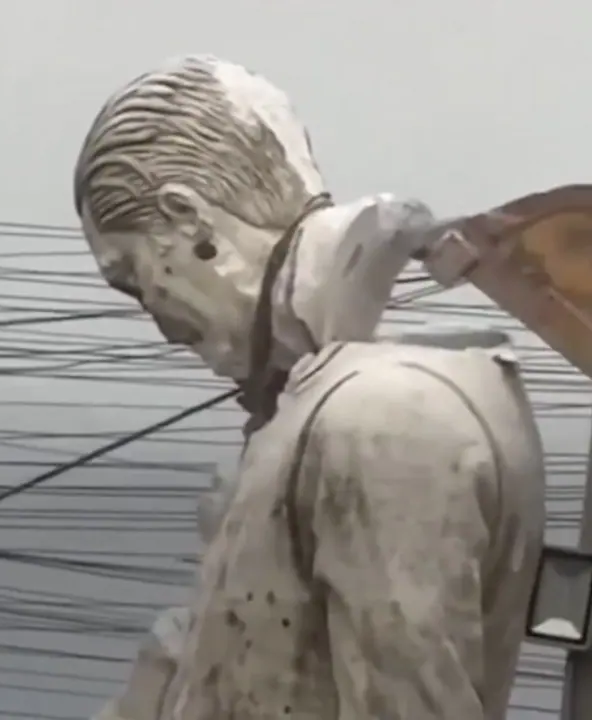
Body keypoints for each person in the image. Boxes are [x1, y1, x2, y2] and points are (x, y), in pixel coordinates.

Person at [74, 55, 545, 720]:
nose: (155, 317)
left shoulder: (380, 416)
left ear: (190, 222)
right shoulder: (326, 403)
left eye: (133, 275)